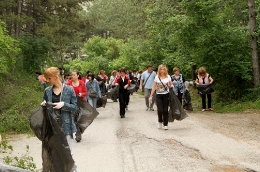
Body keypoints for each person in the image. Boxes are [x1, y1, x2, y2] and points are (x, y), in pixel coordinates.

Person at [41, 67, 77, 171]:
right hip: (52, 128)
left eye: (49, 78)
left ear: (56, 77)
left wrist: (64, 104)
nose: (47, 81)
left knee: (68, 155)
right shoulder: (47, 91)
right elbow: (44, 102)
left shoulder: (69, 90)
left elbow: (74, 107)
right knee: (55, 156)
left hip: (66, 127)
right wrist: (44, 104)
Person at [149, 64, 173, 130]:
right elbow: (154, 86)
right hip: (158, 95)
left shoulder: (168, 76)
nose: (162, 71)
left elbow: (171, 84)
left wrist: (172, 86)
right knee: (160, 110)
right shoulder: (157, 77)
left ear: (165, 70)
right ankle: (160, 121)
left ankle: (165, 124)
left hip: (166, 95)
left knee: (165, 110)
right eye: (161, 69)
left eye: (163, 69)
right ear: (159, 70)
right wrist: (151, 95)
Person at [66, 70, 88, 142]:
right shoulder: (68, 83)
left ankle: (78, 133)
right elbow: (65, 91)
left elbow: (85, 92)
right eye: (72, 75)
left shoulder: (81, 83)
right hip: (72, 103)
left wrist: (81, 94)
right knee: (74, 118)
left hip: (81, 102)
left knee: (79, 118)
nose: (72, 76)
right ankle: (78, 132)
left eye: (74, 75)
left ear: (78, 75)